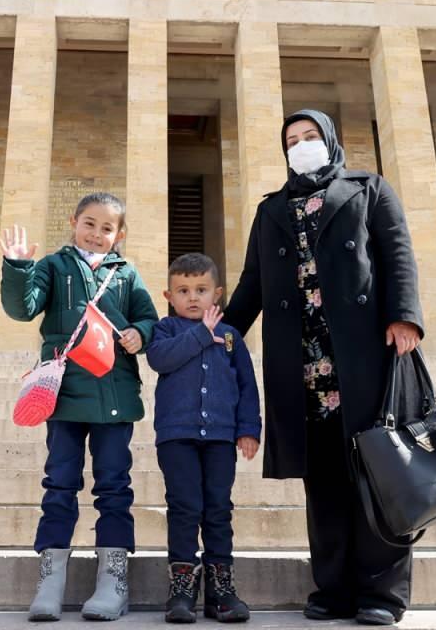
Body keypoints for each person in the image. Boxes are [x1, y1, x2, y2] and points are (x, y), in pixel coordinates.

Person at [223, 109, 423, 627]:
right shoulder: (271, 210)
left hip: (362, 353)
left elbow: (397, 252)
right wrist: (223, 330)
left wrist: (405, 317)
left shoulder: (368, 188)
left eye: (311, 137)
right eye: (292, 140)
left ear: (331, 139)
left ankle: (382, 594)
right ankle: (332, 589)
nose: (302, 145)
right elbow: (252, 282)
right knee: (324, 477)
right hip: (304, 362)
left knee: (378, 472)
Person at [0, 192, 159, 622]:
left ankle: (113, 582)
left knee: (114, 487)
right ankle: (50, 581)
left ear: (119, 234)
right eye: (89, 223)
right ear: (73, 221)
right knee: (60, 484)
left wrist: (139, 333)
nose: (96, 233)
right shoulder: (54, 265)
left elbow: (149, 318)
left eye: (107, 228)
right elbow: (22, 308)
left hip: (113, 395)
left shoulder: (127, 273)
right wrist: (18, 267)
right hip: (65, 395)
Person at [145, 252, 261, 624]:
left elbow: (247, 384)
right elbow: (160, 360)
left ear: (217, 294)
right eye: (183, 290)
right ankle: (182, 588)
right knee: (184, 506)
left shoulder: (230, 336)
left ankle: (220, 589)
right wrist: (199, 334)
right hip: (177, 437)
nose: (192, 297)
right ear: (168, 296)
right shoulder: (166, 331)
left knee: (217, 508)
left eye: (201, 289)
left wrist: (248, 429)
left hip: (220, 439)